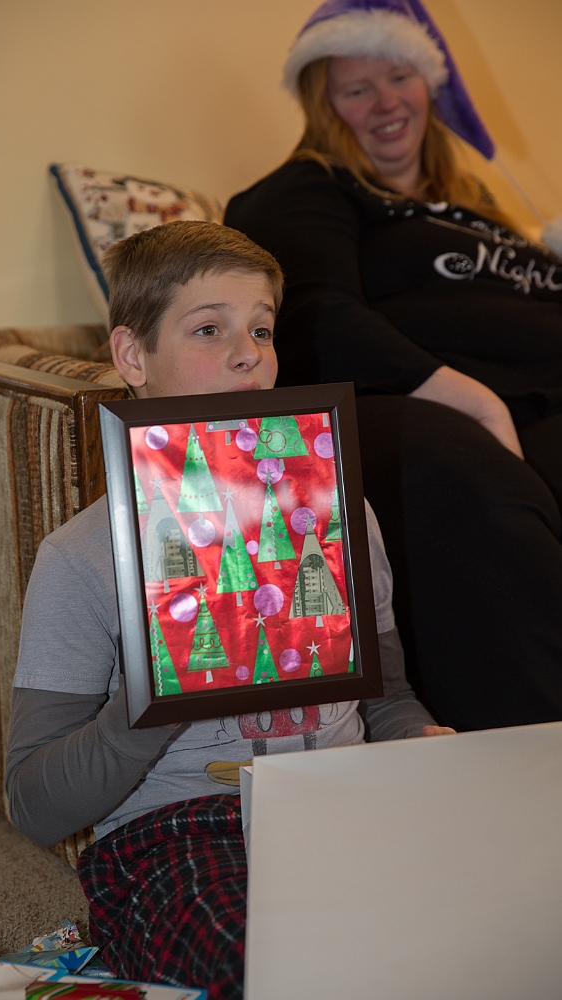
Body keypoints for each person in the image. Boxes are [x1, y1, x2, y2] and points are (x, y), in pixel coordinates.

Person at [6, 220, 451, 1000]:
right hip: (178, 830)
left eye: (262, 329)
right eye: (209, 329)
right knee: (280, 965)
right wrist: (161, 688)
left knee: (471, 931)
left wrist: (417, 741)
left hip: (346, 802)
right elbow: (34, 806)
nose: (249, 353)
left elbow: (384, 696)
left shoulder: (340, 514)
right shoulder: (80, 557)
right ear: (132, 357)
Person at [224, 0, 562, 734]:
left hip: (539, 399)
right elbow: (314, 313)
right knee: (462, 473)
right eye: (356, 89)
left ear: (429, 86)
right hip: (413, 405)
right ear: (324, 107)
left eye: (399, 77)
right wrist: (473, 401)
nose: (385, 102)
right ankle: (532, 751)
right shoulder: (307, 187)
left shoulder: (475, 211)